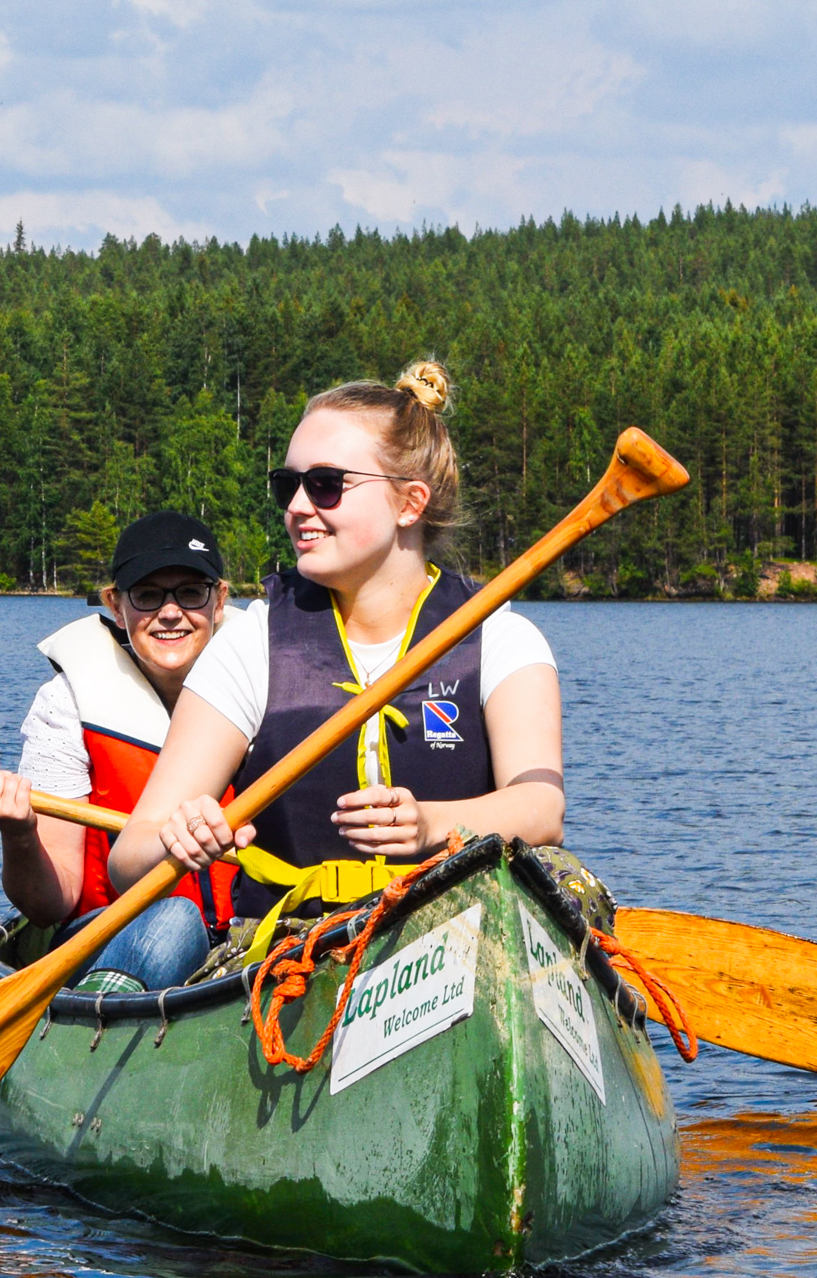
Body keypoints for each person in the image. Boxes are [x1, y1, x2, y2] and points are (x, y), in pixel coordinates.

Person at [105, 363, 565, 933]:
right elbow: (129, 859)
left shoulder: (499, 636)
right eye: (287, 485)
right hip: (291, 951)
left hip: (460, 931)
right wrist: (176, 841)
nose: (296, 507)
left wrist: (430, 826)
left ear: (409, 503)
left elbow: (543, 809)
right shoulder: (252, 641)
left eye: (325, 484)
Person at [0, 510, 231, 994]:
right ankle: (98, 1015)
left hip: (246, 947)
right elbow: (52, 903)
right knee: (176, 917)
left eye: (191, 593)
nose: (170, 612)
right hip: (111, 938)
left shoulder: (269, 684)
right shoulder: (66, 704)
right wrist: (19, 834)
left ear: (220, 601)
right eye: (147, 596)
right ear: (115, 605)